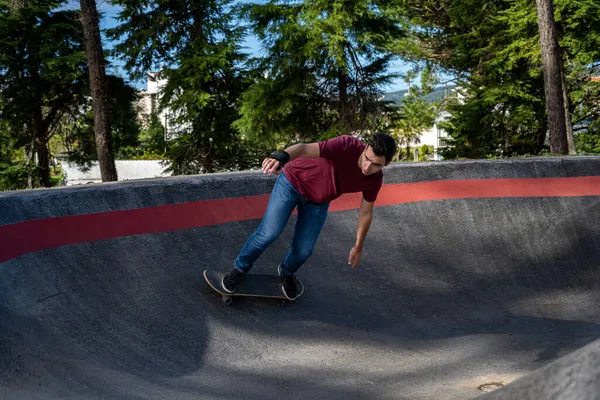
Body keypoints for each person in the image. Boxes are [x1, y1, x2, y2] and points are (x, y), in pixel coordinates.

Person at [222, 133, 397, 300]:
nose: (368, 167)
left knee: (304, 251)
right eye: (367, 158)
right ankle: (239, 268)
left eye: (376, 165)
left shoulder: (374, 180)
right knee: (269, 233)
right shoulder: (346, 145)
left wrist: (359, 245)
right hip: (292, 183)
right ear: (365, 148)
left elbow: (366, 212)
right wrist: (282, 156)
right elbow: (304, 148)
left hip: (318, 201)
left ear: (386, 164)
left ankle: (286, 272)